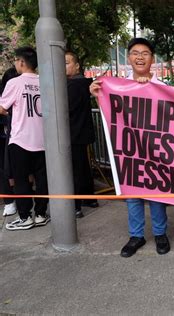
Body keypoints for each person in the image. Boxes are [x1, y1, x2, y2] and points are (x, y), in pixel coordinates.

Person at [90, 38, 170, 257]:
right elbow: (109, 111)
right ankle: (136, 236)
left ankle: (160, 234)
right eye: (135, 53)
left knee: (157, 193)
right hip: (129, 148)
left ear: (152, 58)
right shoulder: (118, 87)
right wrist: (98, 94)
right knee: (132, 193)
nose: (140, 57)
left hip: (156, 148)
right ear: (129, 57)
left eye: (145, 53)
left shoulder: (163, 88)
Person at [0, 47, 50, 230]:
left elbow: (2, 108)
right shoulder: (45, 82)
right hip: (43, 140)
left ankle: (25, 217)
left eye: (16, 60)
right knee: (42, 178)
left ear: (21, 62)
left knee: (21, 181)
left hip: (20, 139)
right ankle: (40, 214)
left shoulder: (14, 83)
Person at [65, 51, 96, 218]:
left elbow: (66, 109)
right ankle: (89, 198)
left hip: (73, 133)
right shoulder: (83, 83)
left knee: (74, 170)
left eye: (67, 62)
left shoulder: (73, 85)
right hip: (82, 132)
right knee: (83, 167)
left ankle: (76, 205)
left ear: (77, 66)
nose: (63, 66)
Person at [0, 67, 19, 217]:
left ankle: (19, 199)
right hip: (3, 138)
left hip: (18, 137)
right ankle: (9, 202)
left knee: (20, 169)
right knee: (3, 170)